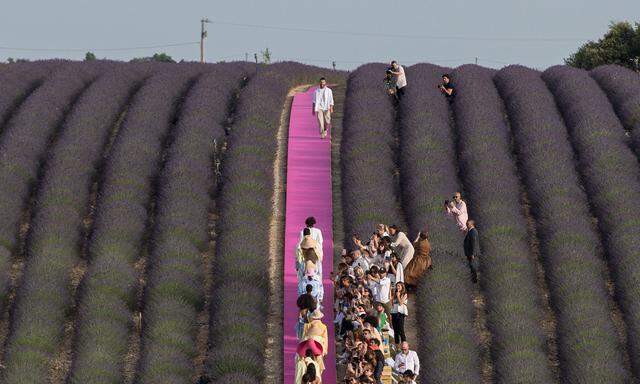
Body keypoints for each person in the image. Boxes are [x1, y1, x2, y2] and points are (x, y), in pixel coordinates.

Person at [464, 219, 481, 283]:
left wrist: (473, 254)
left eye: (468, 224)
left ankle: (475, 279)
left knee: (473, 265)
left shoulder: (473, 231)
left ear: (472, 224)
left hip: (472, 253)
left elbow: (474, 243)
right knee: (471, 265)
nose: (466, 225)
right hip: (470, 253)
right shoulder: (470, 231)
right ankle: (473, 278)